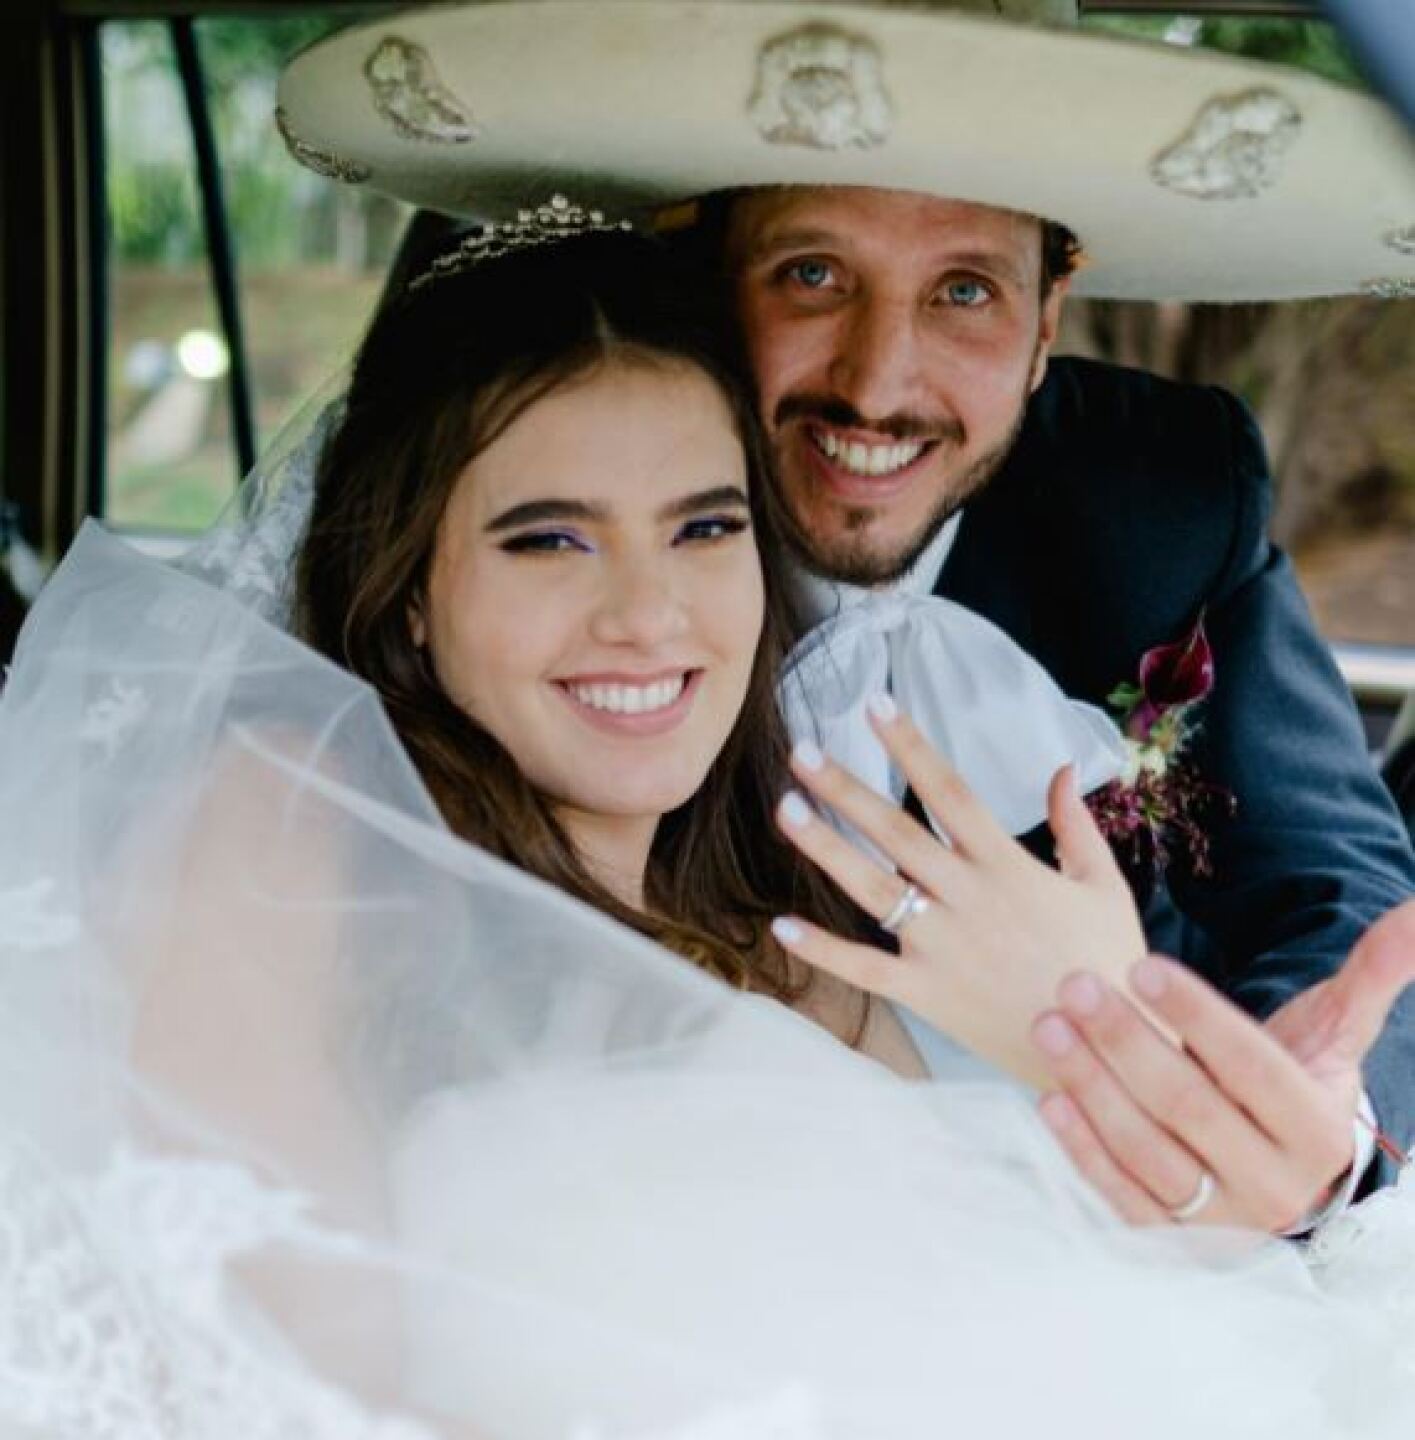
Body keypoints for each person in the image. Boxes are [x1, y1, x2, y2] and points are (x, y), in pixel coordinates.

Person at [3, 212, 1415, 1440]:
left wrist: (1088, 1052)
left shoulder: (792, 902)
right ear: (409, 587)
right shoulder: (283, 847)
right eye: (547, 538)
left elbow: (997, 1297)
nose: (647, 616)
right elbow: (264, 1384)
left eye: (704, 529)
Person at [273, 0, 1415, 1234]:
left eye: (965, 292)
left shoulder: (1160, 499)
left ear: (1045, 323)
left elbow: (1330, 883)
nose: (876, 385)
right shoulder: (549, 526)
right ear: (705, 284)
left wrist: (1291, 1140)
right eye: (811, 273)